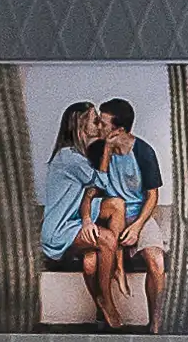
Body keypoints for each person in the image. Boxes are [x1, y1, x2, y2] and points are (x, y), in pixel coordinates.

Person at [90, 94, 167, 328]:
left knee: (157, 262)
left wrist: (136, 227)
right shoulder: (96, 150)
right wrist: (106, 153)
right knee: (92, 261)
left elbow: (152, 195)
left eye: (102, 123)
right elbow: (96, 189)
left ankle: (154, 323)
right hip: (108, 215)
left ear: (119, 129)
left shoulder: (144, 151)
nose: (98, 127)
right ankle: (103, 316)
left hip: (137, 216)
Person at [35, 98, 106, 326]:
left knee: (92, 260)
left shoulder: (80, 157)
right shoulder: (69, 157)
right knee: (107, 239)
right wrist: (110, 149)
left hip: (71, 228)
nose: (100, 124)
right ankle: (109, 305)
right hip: (58, 233)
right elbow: (103, 183)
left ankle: (101, 315)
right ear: (81, 125)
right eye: (95, 120)